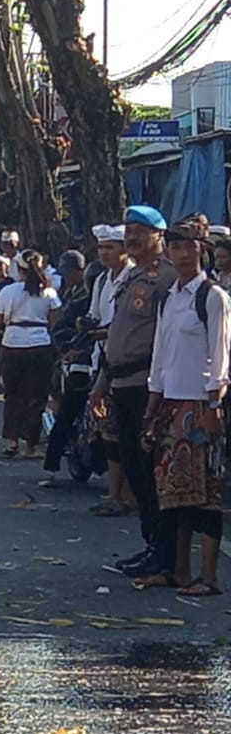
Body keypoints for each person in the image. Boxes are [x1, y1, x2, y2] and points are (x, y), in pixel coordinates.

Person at [135, 220, 229, 596]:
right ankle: (178, 571)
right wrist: (151, 409)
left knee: (205, 495)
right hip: (170, 405)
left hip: (201, 405)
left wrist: (214, 406)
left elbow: (221, 358)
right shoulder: (170, 298)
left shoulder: (212, 296)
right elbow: (160, 357)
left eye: (190, 247)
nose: (183, 254)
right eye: (175, 247)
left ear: (201, 250)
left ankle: (208, 576)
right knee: (172, 495)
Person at [94, 205, 176, 580]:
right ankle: (151, 544)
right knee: (134, 468)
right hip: (120, 382)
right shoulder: (130, 277)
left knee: (150, 470)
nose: (132, 237)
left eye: (141, 231)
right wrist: (102, 381)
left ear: (159, 236)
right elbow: (118, 333)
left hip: (147, 387)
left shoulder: (167, 279)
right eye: (129, 230)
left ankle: (165, 553)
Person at [0, 251, 61, 458]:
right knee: (36, 397)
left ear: (19, 269)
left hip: (12, 344)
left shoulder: (8, 291)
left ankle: (12, 441)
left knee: (13, 394)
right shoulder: (49, 293)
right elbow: (55, 322)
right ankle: (31, 446)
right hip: (40, 346)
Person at [86, 224, 133, 516]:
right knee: (108, 432)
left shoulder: (135, 278)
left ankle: (128, 494)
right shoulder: (102, 280)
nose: (104, 253)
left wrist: (104, 333)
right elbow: (94, 316)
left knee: (127, 433)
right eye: (101, 248)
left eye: (110, 247)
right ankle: (115, 493)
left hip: (129, 366)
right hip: (102, 363)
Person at [40, 250, 95, 485]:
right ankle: (51, 467)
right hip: (80, 366)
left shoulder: (118, 302)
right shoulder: (77, 299)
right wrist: (70, 347)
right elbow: (60, 330)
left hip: (108, 365)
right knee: (67, 413)